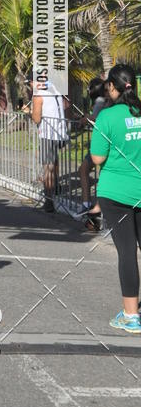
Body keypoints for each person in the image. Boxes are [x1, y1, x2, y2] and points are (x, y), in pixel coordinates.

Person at [91, 64, 141, 333]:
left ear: (112, 86)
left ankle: (131, 315)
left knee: (126, 251)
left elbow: (98, 158)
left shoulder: (107, 117)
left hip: (116, 193)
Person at [29, 74, 68, 212]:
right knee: (54, 161)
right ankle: (56, 188)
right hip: (61, 133)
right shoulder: (57, 90)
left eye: (31, 83)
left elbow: (36, 118)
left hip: (48, 134)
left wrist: (28, 111)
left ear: (34, 82)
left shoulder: (38, 95)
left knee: (48, 168)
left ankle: (49, 200)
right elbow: (66, 106)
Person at [77, 77, 107, 227]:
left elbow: (95, 118)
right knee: (87, 170)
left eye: (89, 88)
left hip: (100, 145)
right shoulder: (102, 101)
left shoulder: (100, 101)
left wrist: (85, 119)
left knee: (84, 169)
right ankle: (91, 204)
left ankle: (89, 205)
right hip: (100, 144)